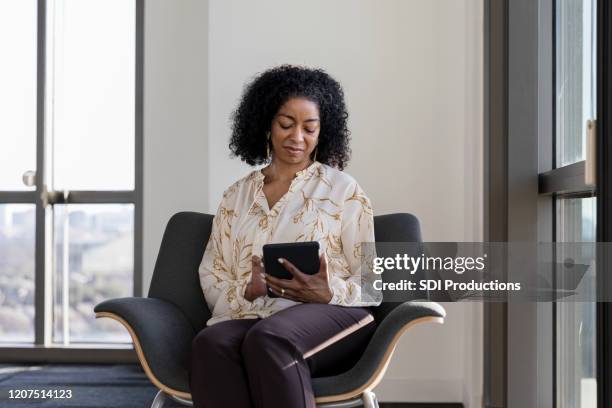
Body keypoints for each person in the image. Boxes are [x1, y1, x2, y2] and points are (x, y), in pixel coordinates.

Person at [190, 65, 382, 408]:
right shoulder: (236, 197)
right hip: (258, 314)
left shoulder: (344, 190)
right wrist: (246, 290)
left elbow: (372, 282)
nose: (298, 138)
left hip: (336, 313)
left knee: (270, 339)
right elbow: (213, 274)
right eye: (286, 125)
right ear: (266, 124)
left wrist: (328, 291)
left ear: (323, 131)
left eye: (310, 128)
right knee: (212, 343)